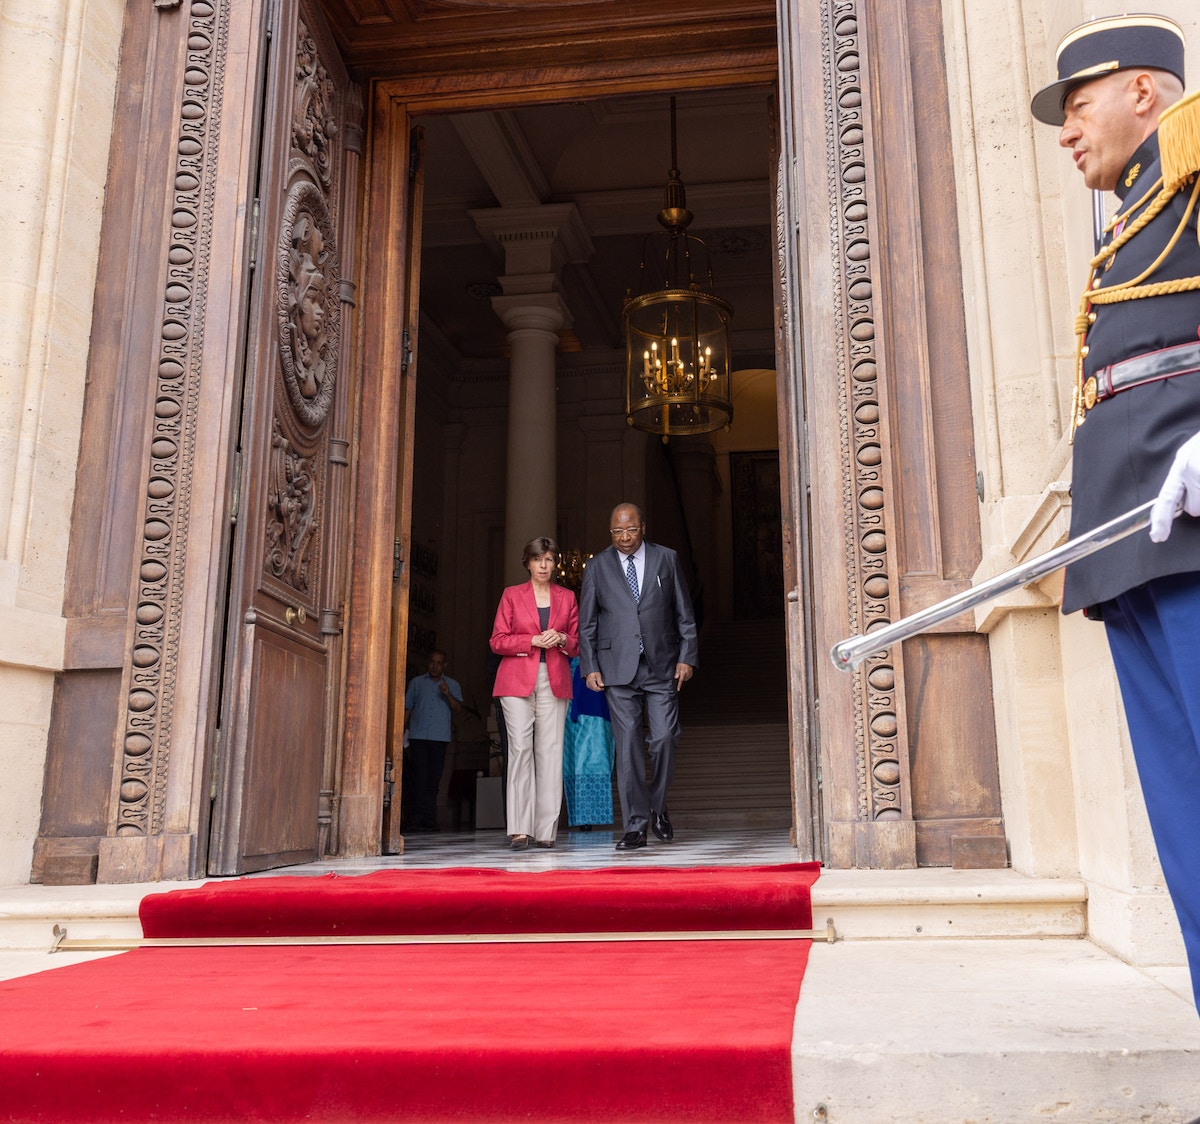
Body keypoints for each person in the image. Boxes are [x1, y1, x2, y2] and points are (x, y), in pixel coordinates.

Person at [1031, 12, 1200, 1012]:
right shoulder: (1136, 212)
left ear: (1145, 91)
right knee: (1186, 826)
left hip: (1192, 540)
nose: (1064, 131)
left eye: (1079, 103)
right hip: (1137, 540)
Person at [578, 502, 698, 850]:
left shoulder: (666, 558)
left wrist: (687, 656)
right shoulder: (598, 566)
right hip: (617, 668)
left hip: (662, 664)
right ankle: (634, 825)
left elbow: (684, 613)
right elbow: (587, 623)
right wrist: (590, 666)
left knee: (663, 738)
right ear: (610, 532)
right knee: (628, 746)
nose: (625, 537)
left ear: (642, 527)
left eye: (630, 530)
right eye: (617, 532)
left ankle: (657, 806)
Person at [490, 536, 580, 850]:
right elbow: (497, 641)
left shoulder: (567, 597)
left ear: (555, 564)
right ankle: (519, 829)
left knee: (551, 753)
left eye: (550, 560)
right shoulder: (511, 596)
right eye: (538, 559)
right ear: (528, 563)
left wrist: (562, 639)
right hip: (515, 680)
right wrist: (530, 641)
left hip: (554, 678)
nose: (544, 565)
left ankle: (545, 831)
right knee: (519, 750)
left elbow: (578, 643)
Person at [402, 649, 464, 832]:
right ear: (428, 663)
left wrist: (447, 694)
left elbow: (458, 709)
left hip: (439, 738)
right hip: (418, 736)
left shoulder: (452, 684)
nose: (435, 666)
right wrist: (400, 732)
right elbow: (408, 708)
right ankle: (416, 818)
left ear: (444, 665)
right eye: (432, 662)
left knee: (433, 780)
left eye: (439, 663)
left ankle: (429, 818)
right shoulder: (416, 683)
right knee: (419, 778)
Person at [561, 655, 615, 831]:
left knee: (597, 750)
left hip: (596, 684)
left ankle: (589, 817)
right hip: (565, 686)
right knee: (569, 757)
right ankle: (579, 817)